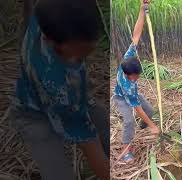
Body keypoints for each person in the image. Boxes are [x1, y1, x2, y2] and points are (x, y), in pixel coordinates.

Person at [8, 0, 109, 179]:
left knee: (107, 128)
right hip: (32, 114)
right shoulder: (58, 81)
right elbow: (89, 144)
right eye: (80, 51)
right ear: (51, 41)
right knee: (59, 174)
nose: (88, 52)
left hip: (75, 98)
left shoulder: (50, 14)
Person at [113, 0, 160, 164]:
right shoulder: (127, 85)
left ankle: (142, 128)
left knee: (150, 111)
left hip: (133, 95)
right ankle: (126, 150)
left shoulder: (129, 56)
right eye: (133, 77)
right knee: (129, 120)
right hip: (120, 98)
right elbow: (137, 109)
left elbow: (136, 34)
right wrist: (153, 126)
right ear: (126, 74)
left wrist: (142, 10)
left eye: (137, 76)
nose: (136, 79)